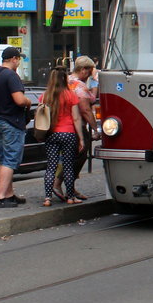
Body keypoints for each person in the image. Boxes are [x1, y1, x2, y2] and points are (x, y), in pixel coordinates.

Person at [0, 47, 31, 208]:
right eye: (19, 59)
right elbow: (19, 100)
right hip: (12, 121)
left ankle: (9, 194)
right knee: (10, 160)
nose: (18, 62)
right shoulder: (11, 76)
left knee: (4, 158)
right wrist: (28, 102)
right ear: (14, 59)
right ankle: (0, 197)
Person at [55, 55, 99, 201]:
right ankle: (62, 184)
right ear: (84, 70)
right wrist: (95, 129)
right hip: (76, 126)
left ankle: (69, 188)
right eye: (90, 70)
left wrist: (93, 81)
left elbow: (91, 97)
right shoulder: (79, 86)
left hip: (61, 125)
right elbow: (86, 109)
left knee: (67, 157)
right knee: (78, 156)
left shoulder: (66, 81)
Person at [41, 67, 84, 206]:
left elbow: (41, 117)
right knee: (68, 166)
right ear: (64, 79)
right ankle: (71, 197)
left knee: (51, 166)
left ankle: (47, 198)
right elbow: (76, 118)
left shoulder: (45, 96)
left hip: (52, 134)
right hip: (69, 133)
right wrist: (81, 138)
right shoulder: (70, 95)